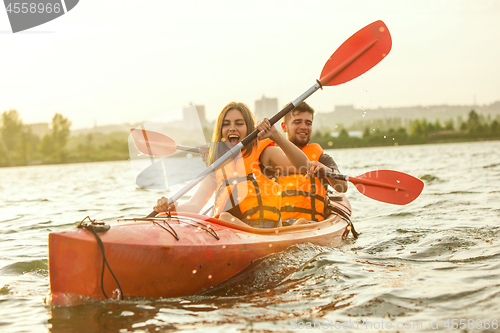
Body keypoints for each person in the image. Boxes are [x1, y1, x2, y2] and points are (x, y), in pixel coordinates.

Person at [153, 102, 310, 229]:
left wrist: (276, 136)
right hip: (226, 230)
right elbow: (194, 205)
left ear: (249, 128)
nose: (232, 128)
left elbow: (304, 166)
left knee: (224, 217)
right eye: (226, 124)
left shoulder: (264, 154)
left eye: (239, 123)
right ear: (221, 131)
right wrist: (171, 209)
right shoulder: (218, 166)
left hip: (263, 231)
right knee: (220, 219)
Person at [278, 102, 347, 225]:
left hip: (311, 225)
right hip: (278, 226)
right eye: (297, 122)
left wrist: (326, 170)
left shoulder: (322, 159)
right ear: (284, 127)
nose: (304, 127)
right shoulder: (272, 158)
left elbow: (342, 187)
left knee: (301, 223)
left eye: (308, 123)